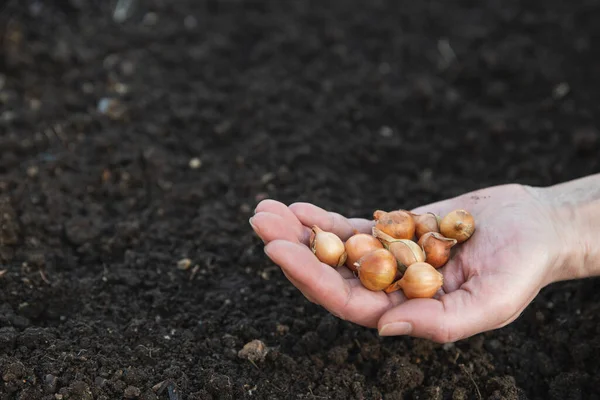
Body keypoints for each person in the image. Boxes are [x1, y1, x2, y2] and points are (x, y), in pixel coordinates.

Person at [248, 173, 600, 343]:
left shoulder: (423, 249)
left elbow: (414, 257)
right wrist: (554, 217)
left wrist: (551, 221)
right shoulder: (399, 248)